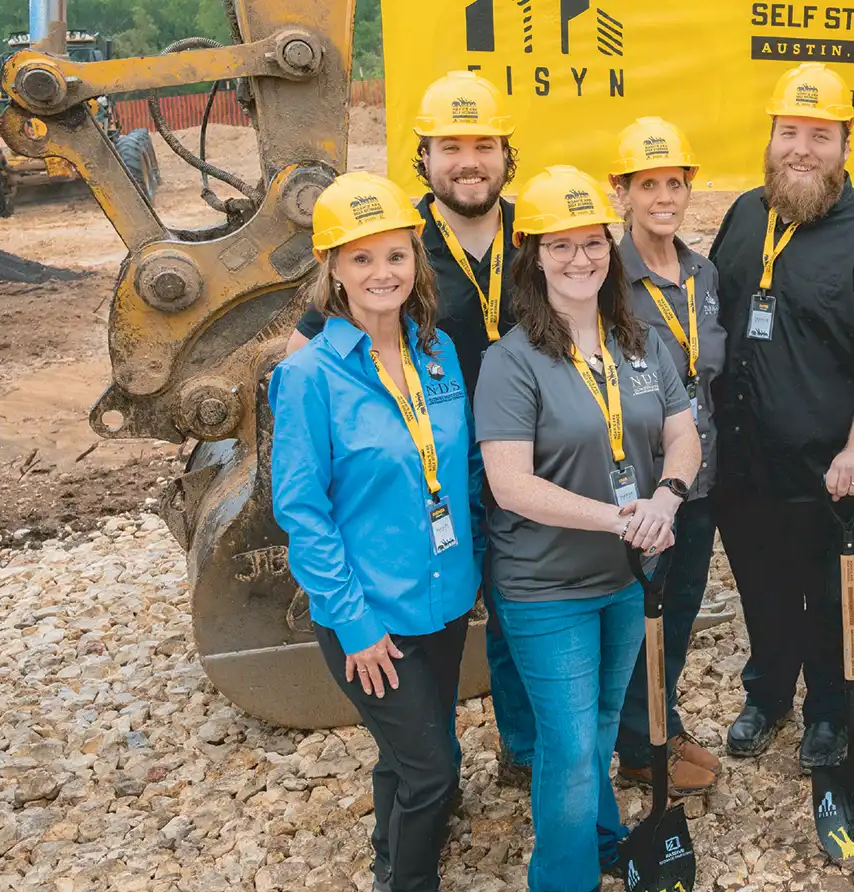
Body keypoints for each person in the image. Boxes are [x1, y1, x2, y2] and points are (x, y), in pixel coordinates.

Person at [286, 69, 536, 786]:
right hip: (435, 474)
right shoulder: (394, 241)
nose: (468, 160)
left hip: (526, 466)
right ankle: (434, 773)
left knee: (519, 616)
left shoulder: (537, 234)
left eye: (483, 143)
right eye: (449, 145)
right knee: (434, 629)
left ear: (504, 154)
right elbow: (309, 353)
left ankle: (522, 752)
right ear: (422, 157)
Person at [475, 166, 700, 892]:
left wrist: (665, 498)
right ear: (533, 256)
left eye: (592, 243)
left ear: (610, 248)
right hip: (547, 587)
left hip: (627, 579)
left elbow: (684, 435)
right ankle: (562, 878)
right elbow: (512, 487)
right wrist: (622, 517)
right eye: (561, 245)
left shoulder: (640, 343)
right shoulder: (511, 361)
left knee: (603, 723)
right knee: (570, 749)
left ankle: (604, 840)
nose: (581, 260)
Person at [709, 62, 854, 769]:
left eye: (820, 135)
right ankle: (768, 694)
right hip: (745, 463)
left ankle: (830, 714)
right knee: (761, 589)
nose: (802, 148)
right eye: (789, 133)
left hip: (833, 470)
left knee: (830, 597)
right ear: (771, 138)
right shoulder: (746, 214)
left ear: (845, 145)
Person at [270, 171, 483, 892]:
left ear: (415, 262)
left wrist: (476, 569)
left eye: (394, 255)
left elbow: (461, 469)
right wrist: (355, 624)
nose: (381, 273)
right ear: (331, 269)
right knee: (434, 771)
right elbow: (301, 510)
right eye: (360, 258)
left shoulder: (438, 353)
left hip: (446, 597)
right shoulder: (309, 377)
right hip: (370, 613)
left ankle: (389, 861)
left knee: (405, 753)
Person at [607, 117, 728, 795]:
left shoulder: (702, 274)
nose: (663, 196)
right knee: (636, 615)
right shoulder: (605, 277)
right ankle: (638, 740)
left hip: (699, 480)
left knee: (678, 609)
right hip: (637, 487)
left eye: (674, 183)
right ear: (621, 190)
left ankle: (659, 721)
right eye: (647, 183)